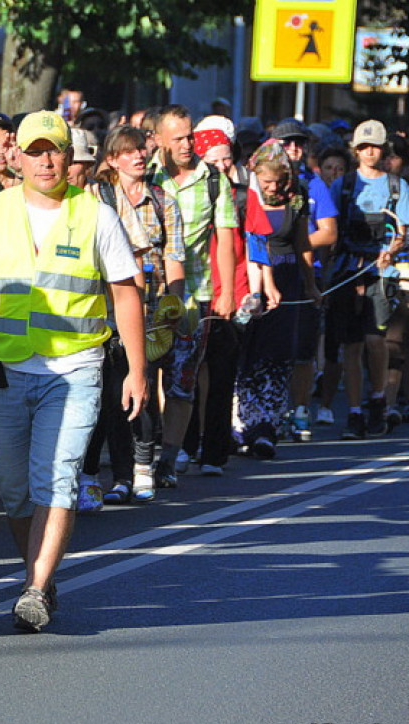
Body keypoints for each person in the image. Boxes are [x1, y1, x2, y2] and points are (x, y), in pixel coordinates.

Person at [0, 111, 147, 632]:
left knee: (56, 478)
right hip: (8, 370)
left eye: (54, 150)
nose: (45, 160)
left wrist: (137, 369)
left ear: (68, 157)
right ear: (17, 158)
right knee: (12, 487)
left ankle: (34, 589)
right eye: (34, 151)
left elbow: (125, 292)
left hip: (76, 368)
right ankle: (40, 571)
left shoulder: (96, 215)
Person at [81, 125, 185, 505]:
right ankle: (108, 473)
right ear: (111, 159)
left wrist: (175, 303)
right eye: (128, 151)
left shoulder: (163, 201)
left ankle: (143, 466)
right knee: (107, 392)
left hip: (151, 309)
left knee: (141, 386)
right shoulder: (96, 196)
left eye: (142, 149)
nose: (138, 156)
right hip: (104, 309)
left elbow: (173, 258)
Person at [148, 105, 238, 486]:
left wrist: (228, 291)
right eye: (179, 138)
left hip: (193, 298)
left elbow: (225, 239)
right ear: (158, 141)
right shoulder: (144, 175)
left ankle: (169, 457)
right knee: (145, 377)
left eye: (190, 136)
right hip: (147, 296)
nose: (188, 145)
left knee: (182, 381)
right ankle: (142, 454)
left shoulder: (213, 179)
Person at [233, 140, 319, 457]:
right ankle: (240, 423)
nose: (272, 188)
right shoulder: (242, 197)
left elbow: (302, 245)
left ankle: (267, 427)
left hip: (285, 282)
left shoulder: (296, 201)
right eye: (266, 181)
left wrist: (310, 285)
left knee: (276, 355)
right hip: (250, 280)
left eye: (277, 182)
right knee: (244, 353)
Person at [327, 119, 409, 438]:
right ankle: (354, 411)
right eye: (363, 147)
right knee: (351, 343)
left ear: (383, 149)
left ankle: (378, 400)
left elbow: (403, 230)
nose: (369, 152)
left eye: (374, 146)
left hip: (381, 272)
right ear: (355, 150)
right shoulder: (343, 185)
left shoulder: (396, 187)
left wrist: (392, 249)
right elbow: (329, 228)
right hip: (348, 270)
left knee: (376, 339)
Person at [270, 118, 338, 441]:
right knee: (271, 346)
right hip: (271, 272)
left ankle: (298, 408)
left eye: (299, 143)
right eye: (287, 143)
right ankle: (271, 409)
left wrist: (297, 242)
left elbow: (329, 231)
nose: (294, 149)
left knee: (303, 349)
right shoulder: (262, 183)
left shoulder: (314, 183)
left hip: (307, 274)